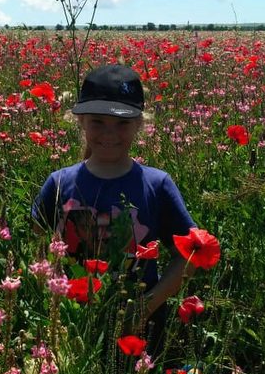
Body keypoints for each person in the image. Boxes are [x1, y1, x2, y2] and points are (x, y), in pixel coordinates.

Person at [32, 64, 196, 356]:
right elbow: (36, 249)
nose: (110, 133)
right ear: (80, 121)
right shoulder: (58, 184)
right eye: (97, 122)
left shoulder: (157, 184)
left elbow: (191, 254)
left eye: (122, 123)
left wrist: (146, 307)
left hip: (139, 328)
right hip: (70, 325)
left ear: (139, 124)